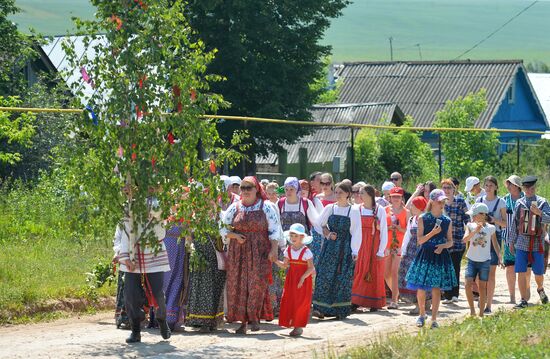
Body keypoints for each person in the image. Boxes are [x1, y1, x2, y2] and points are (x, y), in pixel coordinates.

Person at [220, 176, 283, 334]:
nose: (246, 191)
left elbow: (275, 228)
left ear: (257, 189)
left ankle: (254, 317)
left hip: (260, 250)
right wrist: (234, 236)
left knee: (256, 284)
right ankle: (243, 322)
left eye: (249, 188)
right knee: (239, 285)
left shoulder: (266, 206)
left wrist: (274, 249)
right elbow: (222, 228)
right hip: (238, 251)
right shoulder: (235, 207)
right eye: (243, 188)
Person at [118, 197, 172, 343]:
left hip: (154, 250)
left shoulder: (159, 202)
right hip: (132, 252)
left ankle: (161, 318)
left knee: (157, 292)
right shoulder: (127, 204)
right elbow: (122, 232)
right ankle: (135, 330)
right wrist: (124, 257)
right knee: (130, 294)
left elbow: (160, 211)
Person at [406, 189, 456, 329]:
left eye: (443, 201)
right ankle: (422, 314)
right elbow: (420, 240)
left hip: (440, 256)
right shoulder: (423, 218)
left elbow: (451, 241)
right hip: (425, 254)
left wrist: (443, 246)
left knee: (436, 288)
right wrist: (433, 233)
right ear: (432, 201)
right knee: (421, 287)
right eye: (439, 201)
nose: (442, 204)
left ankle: (434, 319)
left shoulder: (447, 220)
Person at [312, 182, 361, 320]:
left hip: (345, 248)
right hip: (330, 247)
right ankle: (320, 308)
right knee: (324, 275)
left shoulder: (354, 211)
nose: (338, 195)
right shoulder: (330, 208)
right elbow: (319, 223)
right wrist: (327, 233)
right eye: (336, 192)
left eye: (341, 192)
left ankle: (338, 309)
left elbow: (357, 232)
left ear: (347, 194)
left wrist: (354, 251)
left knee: (341, 277)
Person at [271, 177, 318, 316]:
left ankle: (301, 305)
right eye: (286, 189)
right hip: (285, 244)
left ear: (297, 190)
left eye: (291, 189)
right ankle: (281, 306)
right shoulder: (279, 204)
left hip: (301, 246)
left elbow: (315, 222)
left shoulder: (305, 203)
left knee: (300, 274)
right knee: (282, 275)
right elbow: (276, 224)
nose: (288, 192)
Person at [508, 176, 550, 309]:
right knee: (521, 271)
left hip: (537, 242)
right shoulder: (519, 203)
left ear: (534, 188)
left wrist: (540, 213)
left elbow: (549, 219)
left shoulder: (543, 202)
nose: (529, 191)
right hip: (521, 241)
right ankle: (523, 300)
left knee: (538, 273)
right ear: (523, 188)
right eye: (527, 188)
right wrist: (511, 241)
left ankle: (540, 288)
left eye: (531, 188)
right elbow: (514, 224)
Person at [186, 200, 227, 332]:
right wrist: (192, 249)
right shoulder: (194, 218)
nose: (207, 206)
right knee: (200, 287)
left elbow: (224, 237)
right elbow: (189, 237)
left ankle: (210, 322)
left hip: (213, 258)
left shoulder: (219, 218)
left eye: (210, 203)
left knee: (213, 289)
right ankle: (199, 320)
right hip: (199, 258)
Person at [274, 223, 315, 337]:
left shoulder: (306, 251)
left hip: (303, 280)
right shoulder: (288, 250)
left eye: (295, 236)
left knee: (301, 302)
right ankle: (291, 322)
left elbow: (311, 267)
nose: (293, 238)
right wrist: (276, 261)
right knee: (289, 299)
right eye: (291, 236)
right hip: (291, 279)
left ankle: (298, 326)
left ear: (302, 237)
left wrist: (302, 278)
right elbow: (285, 265)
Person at [351, 183, 388, 311]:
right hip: (361, 244)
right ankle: (355, 300)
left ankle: (374, 302)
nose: (359, 195)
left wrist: (381, 250)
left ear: (370, 195)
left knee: (374, 271)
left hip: (374, 244)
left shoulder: (380, 210)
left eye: (362, 193)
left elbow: (383, 231)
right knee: (360, 270)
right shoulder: (357, 209)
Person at [463, 203, 502, 317]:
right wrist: (475, 231)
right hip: (471, 260)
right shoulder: (470, 226)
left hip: (485, 261)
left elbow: (495, 244)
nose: (472, 217)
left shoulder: (491, 228)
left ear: (482, 215)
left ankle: (481, 314)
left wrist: (499, 256)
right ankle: (472, 310)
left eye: (474, 215)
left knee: (482, 287)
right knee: (467, 284)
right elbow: (464, 240)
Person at [476, 176, 507, 314]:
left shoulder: (501, 202)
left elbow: (505, 223)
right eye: (486, 185)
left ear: (496, 187)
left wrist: (494, 220)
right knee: (478, 272)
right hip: (480, 237)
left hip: (495, 235)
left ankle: (488, 304)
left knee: (491, 274)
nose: (488, 188)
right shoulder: (479, 200)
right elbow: (473, 219)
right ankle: (482, 296)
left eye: (491, 185)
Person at [398, 196, 428, 315]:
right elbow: (407, 236)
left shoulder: (426, 219)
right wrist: (403, 252)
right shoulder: (412, 220)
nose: (410, 207)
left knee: (421, 276)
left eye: (413, 205)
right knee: (410, 276)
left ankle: (424, 303)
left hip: (422, 251)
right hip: (411, 252)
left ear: (419, 207)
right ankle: (417, 304)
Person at [441, 178, 469, 304]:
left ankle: (455, 294)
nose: (447, 190)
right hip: (444, 240)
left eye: (449, 188)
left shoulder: (460, 202)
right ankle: (447, 295)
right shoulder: (440, 203)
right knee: (446, 267)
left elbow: (467, 218)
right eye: (444, 188)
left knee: (455, 266)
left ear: (454, 189)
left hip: (458, 239)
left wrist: (469, 233)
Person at [385, 186, 409, 309]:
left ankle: (394, 300)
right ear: (390, 197)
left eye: (398, 197)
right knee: (386, 273)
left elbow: (409, 230)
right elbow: (379, 227)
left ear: (401, 198)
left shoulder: (406, 212)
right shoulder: (384, 210)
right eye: (393, 196)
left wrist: (400, 228)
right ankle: (397, 293)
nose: (395, 199)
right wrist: (389, 228)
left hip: (400, 244)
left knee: (395, 272)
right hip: (387, 244)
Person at [502, 175, 525, 304]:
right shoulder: (504, 200)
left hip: (524, 239)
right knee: (510, 268)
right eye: (508, 184)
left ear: (517, 186)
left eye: (511, 184)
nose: (509, 186)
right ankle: (512, 296)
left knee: (525, 268)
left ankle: (525, 294)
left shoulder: (525, 198)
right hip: (508, 238)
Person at [162, 222, 189, 331]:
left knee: (177, 280)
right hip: (164, 246)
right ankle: (159, 315)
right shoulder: (161, 211)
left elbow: (189, 231)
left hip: (180, 247)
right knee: (163, 280)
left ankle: (171, 317)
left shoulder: (185, 211)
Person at [311, 173, 337, 267]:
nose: (325, 186)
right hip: (318, 230)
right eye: (322, 183)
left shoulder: (336, 197)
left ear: (332, 183)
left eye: (327, 183)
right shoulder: (317, 197)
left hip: (332, 228)